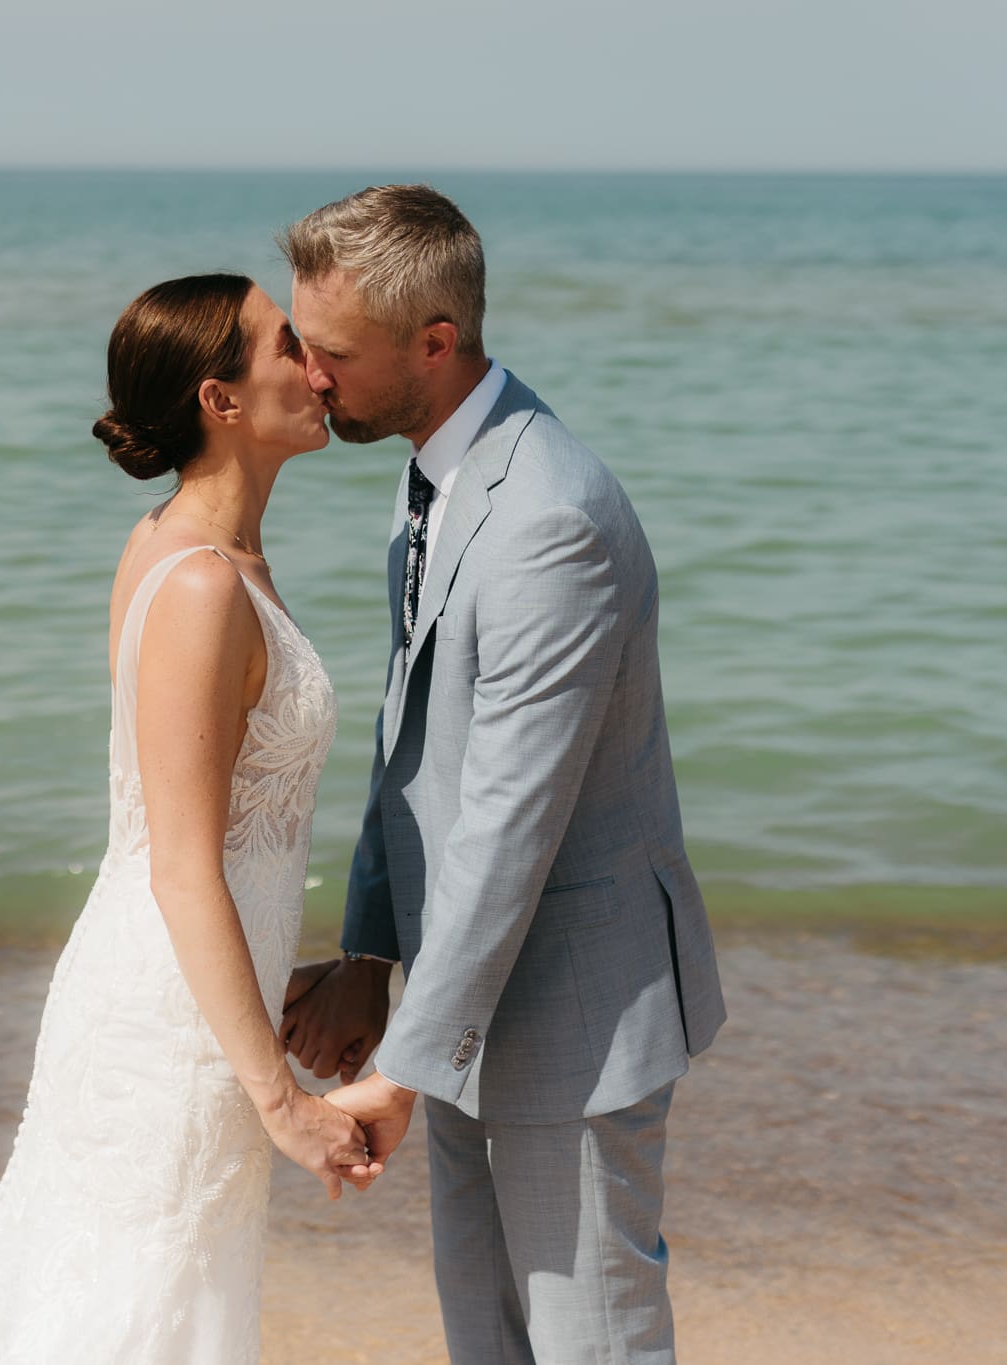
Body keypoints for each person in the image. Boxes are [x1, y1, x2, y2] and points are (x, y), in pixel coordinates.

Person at [0, 273, 376, 1364]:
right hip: (163, 1031)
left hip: (187, 1002)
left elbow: (219, 838)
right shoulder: (198, 587)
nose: (315, 364)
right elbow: (178, 866)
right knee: (111, 1321)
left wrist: (291, 975)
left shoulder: (189, 551)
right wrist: (280, 1102)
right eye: (285, 345)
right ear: (219, 399)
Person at [283, 186, 727, 1365]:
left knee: (590, 1344)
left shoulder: (547, 521)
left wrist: (397, 1071)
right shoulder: (432, 470)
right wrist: (374, 959)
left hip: (574, 1011)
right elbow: (409, 742)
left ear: (434, 343)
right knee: (484, 1337)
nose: (310, 376)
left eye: (332, 353)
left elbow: (507, 821)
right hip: (463, 991)